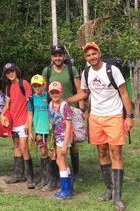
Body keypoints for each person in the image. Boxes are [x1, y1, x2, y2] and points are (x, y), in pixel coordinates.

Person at [66, 41, 135, 211]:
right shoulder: (86, 72)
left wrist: (129, 116)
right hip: (95, 117)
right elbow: (84, 92)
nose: (91, 57)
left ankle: (118, 198)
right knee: (102, 152)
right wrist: (66, 101)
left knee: (115, 153)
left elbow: (125, 94)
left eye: (94, 54)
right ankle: (109, 189)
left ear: (99, 53)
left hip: (114, 116)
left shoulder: (113, 70)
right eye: (88, 55)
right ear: (86, 57)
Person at [42, 44, 85, 190]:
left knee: (72, 144)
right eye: (55, 55)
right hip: (54, 112)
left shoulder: (71, 70)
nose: (58, 57)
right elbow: (44, 91)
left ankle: (76, 172)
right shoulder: (47, 71)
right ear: (51, 57)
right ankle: (56, 176)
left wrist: (80, 108)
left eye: (60, 55)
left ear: (64, 56)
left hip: (69, 109)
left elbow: (80, 91)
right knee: (54, 143)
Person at [0, 62, 34, 189]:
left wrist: (28, 122)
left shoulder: (24, 84)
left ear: (16, 71)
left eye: (12, 71)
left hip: (23, 121)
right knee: (15, 145)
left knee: (24, 147)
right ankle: (18, 174)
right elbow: (7, 105)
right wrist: (2, 115)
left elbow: (30, 104)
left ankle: (30, 177)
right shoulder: (8, 87)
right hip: (13, 122)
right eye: (8, 72)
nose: (10, 74)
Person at [47, 81, 73, 199]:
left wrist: (64, 144)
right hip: (55, 136)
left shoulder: (64, 105)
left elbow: (68, 126)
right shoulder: (51, 104)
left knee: (60, 161)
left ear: (61, 92)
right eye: (52, 92)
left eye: (56, 92)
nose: (54, 94)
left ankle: (65, 191)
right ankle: (69, 187)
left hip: (63, 137)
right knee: (62, 161)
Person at [26, 74, 51, 189]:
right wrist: (30, 131)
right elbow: (30, 114)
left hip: (50, 130)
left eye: (39, 86)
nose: (37, 88)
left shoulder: (50, 96)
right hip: (39, 130)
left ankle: (53, 178)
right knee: (43, 152)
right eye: (34, 86)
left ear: (44, 85)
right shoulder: (31, 99)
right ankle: (44, 179)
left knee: (53, 152)